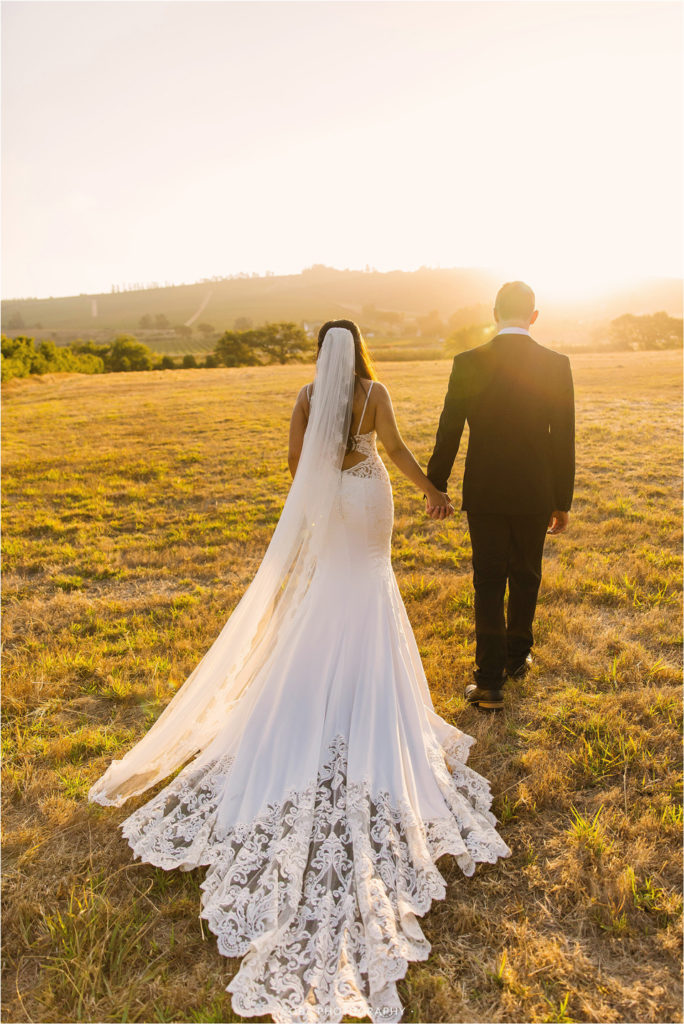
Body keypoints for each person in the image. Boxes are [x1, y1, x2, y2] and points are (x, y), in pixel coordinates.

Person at [88, 319, 511, 1024]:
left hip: (332, 504)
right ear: (360, 350)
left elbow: (295, 464)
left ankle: (315, 699)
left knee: (329, 593)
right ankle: (367, 702)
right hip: (370, 497)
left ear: (321, 354)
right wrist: (432, 489)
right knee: (371, 583)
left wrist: (318, 497)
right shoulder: (374, 393)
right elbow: (396, 449)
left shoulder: (308, 396)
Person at [426, 282, 576, 712]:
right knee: (527, 574)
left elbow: (449, 427)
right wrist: (561, 499)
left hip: (486, 490)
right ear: (534, 316)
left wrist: (436, 485)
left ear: (494, 314)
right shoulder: (556, 364)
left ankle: (489, 681)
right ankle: (517, 658)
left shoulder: (468, 361)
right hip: (535, 490)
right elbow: (563, 437)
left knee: (488, 580)